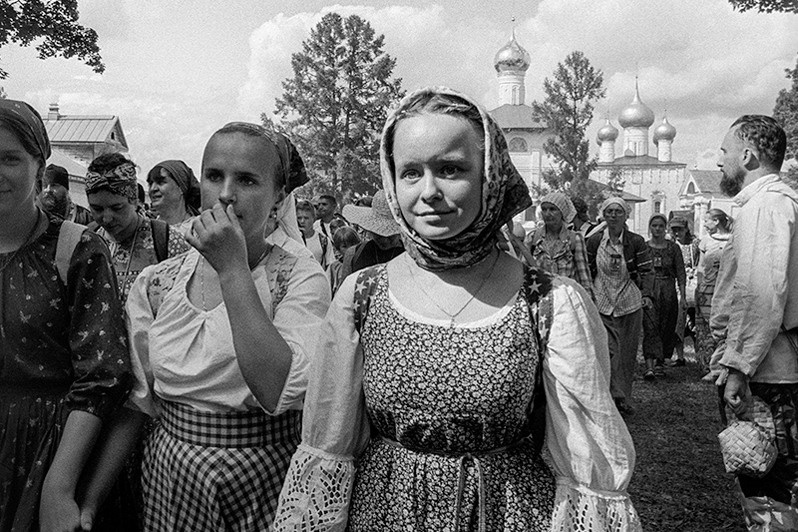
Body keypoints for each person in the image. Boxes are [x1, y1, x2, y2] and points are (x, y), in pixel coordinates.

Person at [273, 87, 640, 531]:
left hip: (508, 514)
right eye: (410, 172)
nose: (429, 192)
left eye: (450, 169)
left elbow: (585, 457)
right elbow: (330, 440)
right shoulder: (361, 295)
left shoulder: (548, 302)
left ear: (490, 175)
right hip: (386, 515)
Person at [123, 122, 330, 529]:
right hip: (174, 478)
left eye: (248, 180)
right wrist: (84, 495)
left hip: (264, 480)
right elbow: (138, 405)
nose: (225, 194)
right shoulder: (159, 283)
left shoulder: (299, 280)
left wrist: (233, 266)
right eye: (214, 176)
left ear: (278, 199)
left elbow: (274, 389)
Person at [0, 99, 132, 531]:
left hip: (47, 450)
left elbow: (103, 376)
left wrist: (59, 487)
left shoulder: (75, 249)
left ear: (40, 164)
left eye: (10, 159)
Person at [714, 115, 798, 528]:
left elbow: (762, 296)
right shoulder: (780, 202)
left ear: (747, 155)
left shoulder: (765, 206)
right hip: (776, 369)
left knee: (768, 488)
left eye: (725, 151)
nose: (719, 160)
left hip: (769, 376)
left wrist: (738, 369)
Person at [85, 153, 189, 301]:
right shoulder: (88, 241)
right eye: (97, 209)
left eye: (117, 208)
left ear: (134, 201)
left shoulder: (168, 241)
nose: (107, 219)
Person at [586, 196, 654, 416]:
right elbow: (586, 270)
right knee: (604, 351)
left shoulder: (636, 241)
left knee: (626, 352)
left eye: (618, 212)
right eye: (609, 212)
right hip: (601, 301)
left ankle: (623, 397)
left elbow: (646, 271)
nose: (613, 216)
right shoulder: (595, 241)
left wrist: (647, 295)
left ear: (626, 215)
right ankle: (605, 397)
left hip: (629, 302)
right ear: (603, 215)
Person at [641, 213, 686, 380]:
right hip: (650, 289)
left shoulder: (673, 248)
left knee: (666, 325)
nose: (657, 229)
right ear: (650, 227)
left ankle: (661, 362)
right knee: (650, 326)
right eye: (654, 226)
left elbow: (680, 271)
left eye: (661, 226)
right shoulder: (644, 247)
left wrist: (682, 295)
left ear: (665, 227)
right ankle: (649, 366)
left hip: (668, 289)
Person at [524, 191, 593, 298]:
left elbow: (583, 276)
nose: (547, 214)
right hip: (540, 299)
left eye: (552, 209)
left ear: (562, 212)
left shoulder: (575, 239)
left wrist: (589, 303)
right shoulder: (533, 238)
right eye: (544, 209)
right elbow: (524, 271)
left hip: (567, 301)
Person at [695, 208, 732, 381]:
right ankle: (707, 365)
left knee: (725, 326)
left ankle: (723, 366)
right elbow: (701, 267)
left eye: (707, 220)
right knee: (706, 327)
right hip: (708, 289)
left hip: (727, 288)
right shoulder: (705, 241)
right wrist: (700, 286)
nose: (704, 224)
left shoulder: (733, 240)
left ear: (716, 221)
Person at [339, 189, 404, 279]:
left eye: (390, 236)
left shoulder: (413, 256)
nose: (385, 240)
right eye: (379, 235)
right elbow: (344, 290)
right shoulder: (354, 254)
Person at [668, 216, 699, 366]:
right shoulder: (671, 245)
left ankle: (701, 356)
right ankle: (680, 356)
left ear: (686, 229)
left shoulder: (695, 245)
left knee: (695, 322)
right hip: (676, 286)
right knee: (678, 322)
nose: (677, 233)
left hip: (693, 285)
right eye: (674, 230)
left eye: (679, 229)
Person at [146, 159, 201, 230]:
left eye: (160, 182)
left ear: (181, 187)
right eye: (150, 184)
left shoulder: (198, 229)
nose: (153, 189)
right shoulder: (147, 229)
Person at [296, 199, 336, 269]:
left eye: (306, 218)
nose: (302, 221)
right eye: (299, 218)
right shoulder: (293, 239)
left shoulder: (323, 241)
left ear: (313, 219)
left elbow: (330, 266)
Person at [327, 226, 361, 295]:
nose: (350, 249)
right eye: (344, 246)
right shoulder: (334, 268)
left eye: (353, 245)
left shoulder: (362, 262)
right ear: (338, 249)